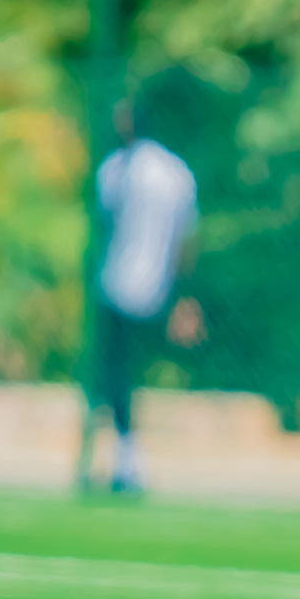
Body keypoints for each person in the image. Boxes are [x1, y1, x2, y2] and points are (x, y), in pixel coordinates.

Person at [77, 101, 203, 494]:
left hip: (117, 286)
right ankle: (122, 459)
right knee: (127, 378)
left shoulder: (116, 169)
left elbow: (103, 225)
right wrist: (183, 296)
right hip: (158, 289)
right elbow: (187, 239)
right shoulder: (176, 173)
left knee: (115, 378)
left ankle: (125, 461)